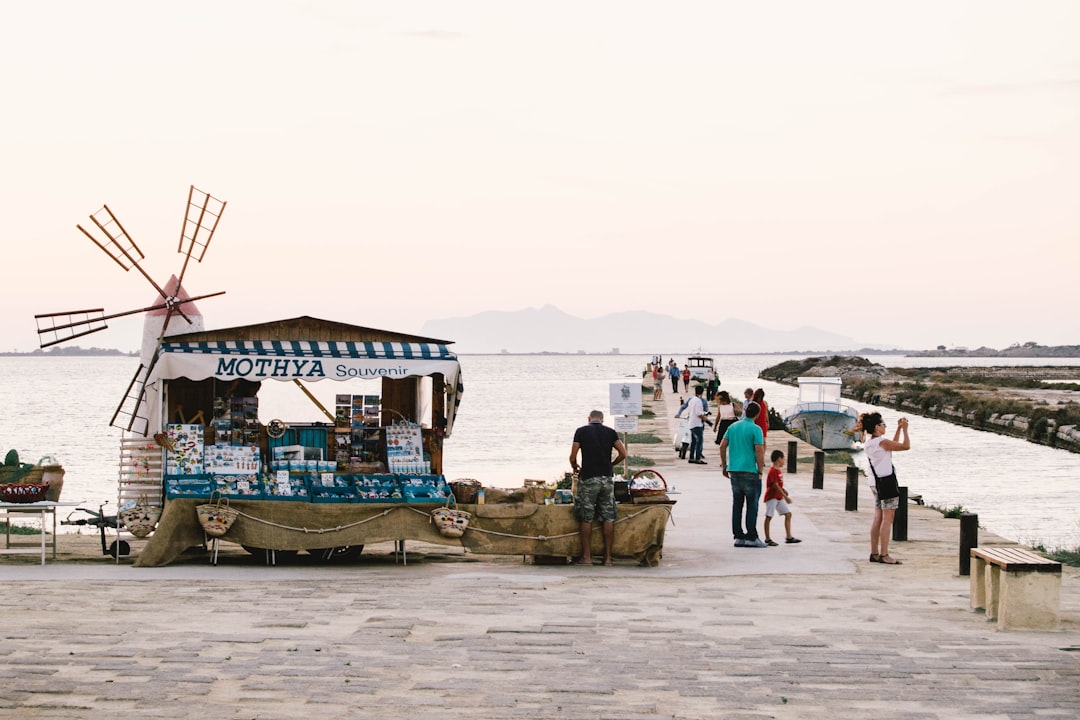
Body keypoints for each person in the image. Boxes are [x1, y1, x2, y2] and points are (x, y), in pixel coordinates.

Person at [568, 410, 628, 566]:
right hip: (606, 479)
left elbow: (573, 456)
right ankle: (608, 558)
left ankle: (587, 557)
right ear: (602, 419)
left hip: (588, 479)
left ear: (589, 418)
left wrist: (575, 466)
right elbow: (623, 453)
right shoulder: (610, 432)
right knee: (608, 517)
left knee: (586, 517)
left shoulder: (581, 431)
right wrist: (611, 464)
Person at [863, 411, 910, 565]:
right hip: (887, 483)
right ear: (877, 427)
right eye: (883, 424)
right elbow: (905, 446)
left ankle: (874, 553)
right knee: (888, 519)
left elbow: (892, 445)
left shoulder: (870, 443)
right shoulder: (881, 442)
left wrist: (898, 429)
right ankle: (885, 554)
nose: (885, 427)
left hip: (875, 483)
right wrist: (905, 430)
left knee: (878, 517)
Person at [719, 401, 767, 548]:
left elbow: (722, 446)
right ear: (757, 414)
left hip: (734, 471)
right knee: (752, 505)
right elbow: (759, 451)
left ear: (745, 411)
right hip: (750, 471)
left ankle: (738, 537)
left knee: (737, 505)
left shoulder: (733, 427)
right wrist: (760, 470)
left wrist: (724, 466)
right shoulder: (756, 429)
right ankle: (751, 537)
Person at [763, 449, 800, 546]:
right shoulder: (773, 471)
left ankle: (789, 537)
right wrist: (785, 497)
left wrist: (784, 490)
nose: (784, 461)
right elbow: (775, 485)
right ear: (779, 459)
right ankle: (767, 538)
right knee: (769, 516)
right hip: (772, 497)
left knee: (788, 514)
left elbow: (779, 485)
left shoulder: (778, 471)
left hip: (778, 497)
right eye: (783, 459)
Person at [675, 385, 709, 464]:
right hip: (698, 423)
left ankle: (692, 457)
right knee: (699, 440)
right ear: (702, 392)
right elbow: (702, 413)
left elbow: (684, 407)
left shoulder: (692, 399)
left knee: (693, 440)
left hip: (692, 422)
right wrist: (706, 419)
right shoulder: (701, 401)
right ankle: (697, 458)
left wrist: (678, 413)